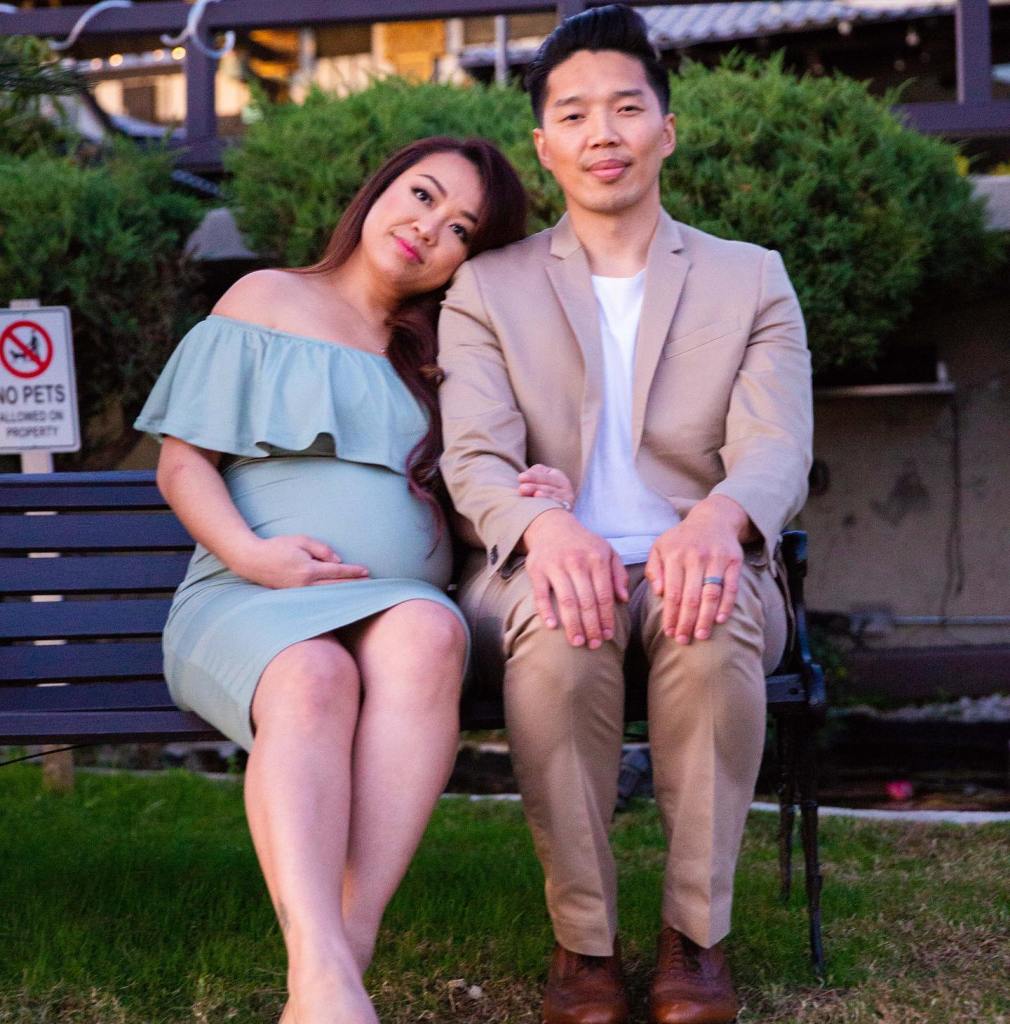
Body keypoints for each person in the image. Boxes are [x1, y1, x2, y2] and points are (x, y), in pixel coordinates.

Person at [134, 137, 572, 1024]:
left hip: (390, 603)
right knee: (312, 673)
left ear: (466, 263)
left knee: (432, 629)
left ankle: (338, 961)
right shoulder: (266, 299)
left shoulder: (447, 355)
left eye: (458, 230)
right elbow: (182, 466)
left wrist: (534, 491)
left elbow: (461, 504)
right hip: (248, 594)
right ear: (378, 188)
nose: (426, 228)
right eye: (420, 195)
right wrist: (256, 557)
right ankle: (325, 973)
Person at [437, 8, 813, 1024]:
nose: (601, 132)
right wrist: (543, 528)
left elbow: (776, 443)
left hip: (708, 562)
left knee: (709, 618)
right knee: (562, 635)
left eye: (624, 108)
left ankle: (695, 937)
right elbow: (471, 455)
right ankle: (584, 944)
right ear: (543, 145)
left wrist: (722, 518)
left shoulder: (750, 277)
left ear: (665, 129)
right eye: (574, 114)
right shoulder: (485, 287)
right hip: (543, 570)